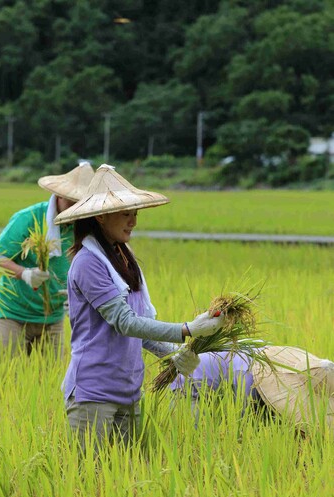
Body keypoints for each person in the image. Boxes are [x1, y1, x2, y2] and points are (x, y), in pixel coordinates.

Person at [54, 163, 224, 447]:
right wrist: (187, 329)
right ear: (101, 217)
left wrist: (175, 355)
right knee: (90, 483)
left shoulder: (123, 255)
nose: (133, 221)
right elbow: (125, 322)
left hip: (129, 391)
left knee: (124, 479)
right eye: (125, 214)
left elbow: (141, 324)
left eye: (135, 214)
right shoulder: (88, 262)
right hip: (93, 394)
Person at [0, 162, 95, 355]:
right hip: (13, 315)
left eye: (81, 203)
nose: (75, 209)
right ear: (60, 194)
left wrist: (78, 294)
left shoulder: (84, 226)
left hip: (53, 318)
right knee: (6, 377)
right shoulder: (29, 218)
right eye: (72, 201)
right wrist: (24, 273)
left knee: (50, 380)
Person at [171, 345, 334, 432]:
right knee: (199, 439)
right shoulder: (249, 379)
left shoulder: (279, 363)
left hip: (224, 384)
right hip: (191, 383)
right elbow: (241, 426)